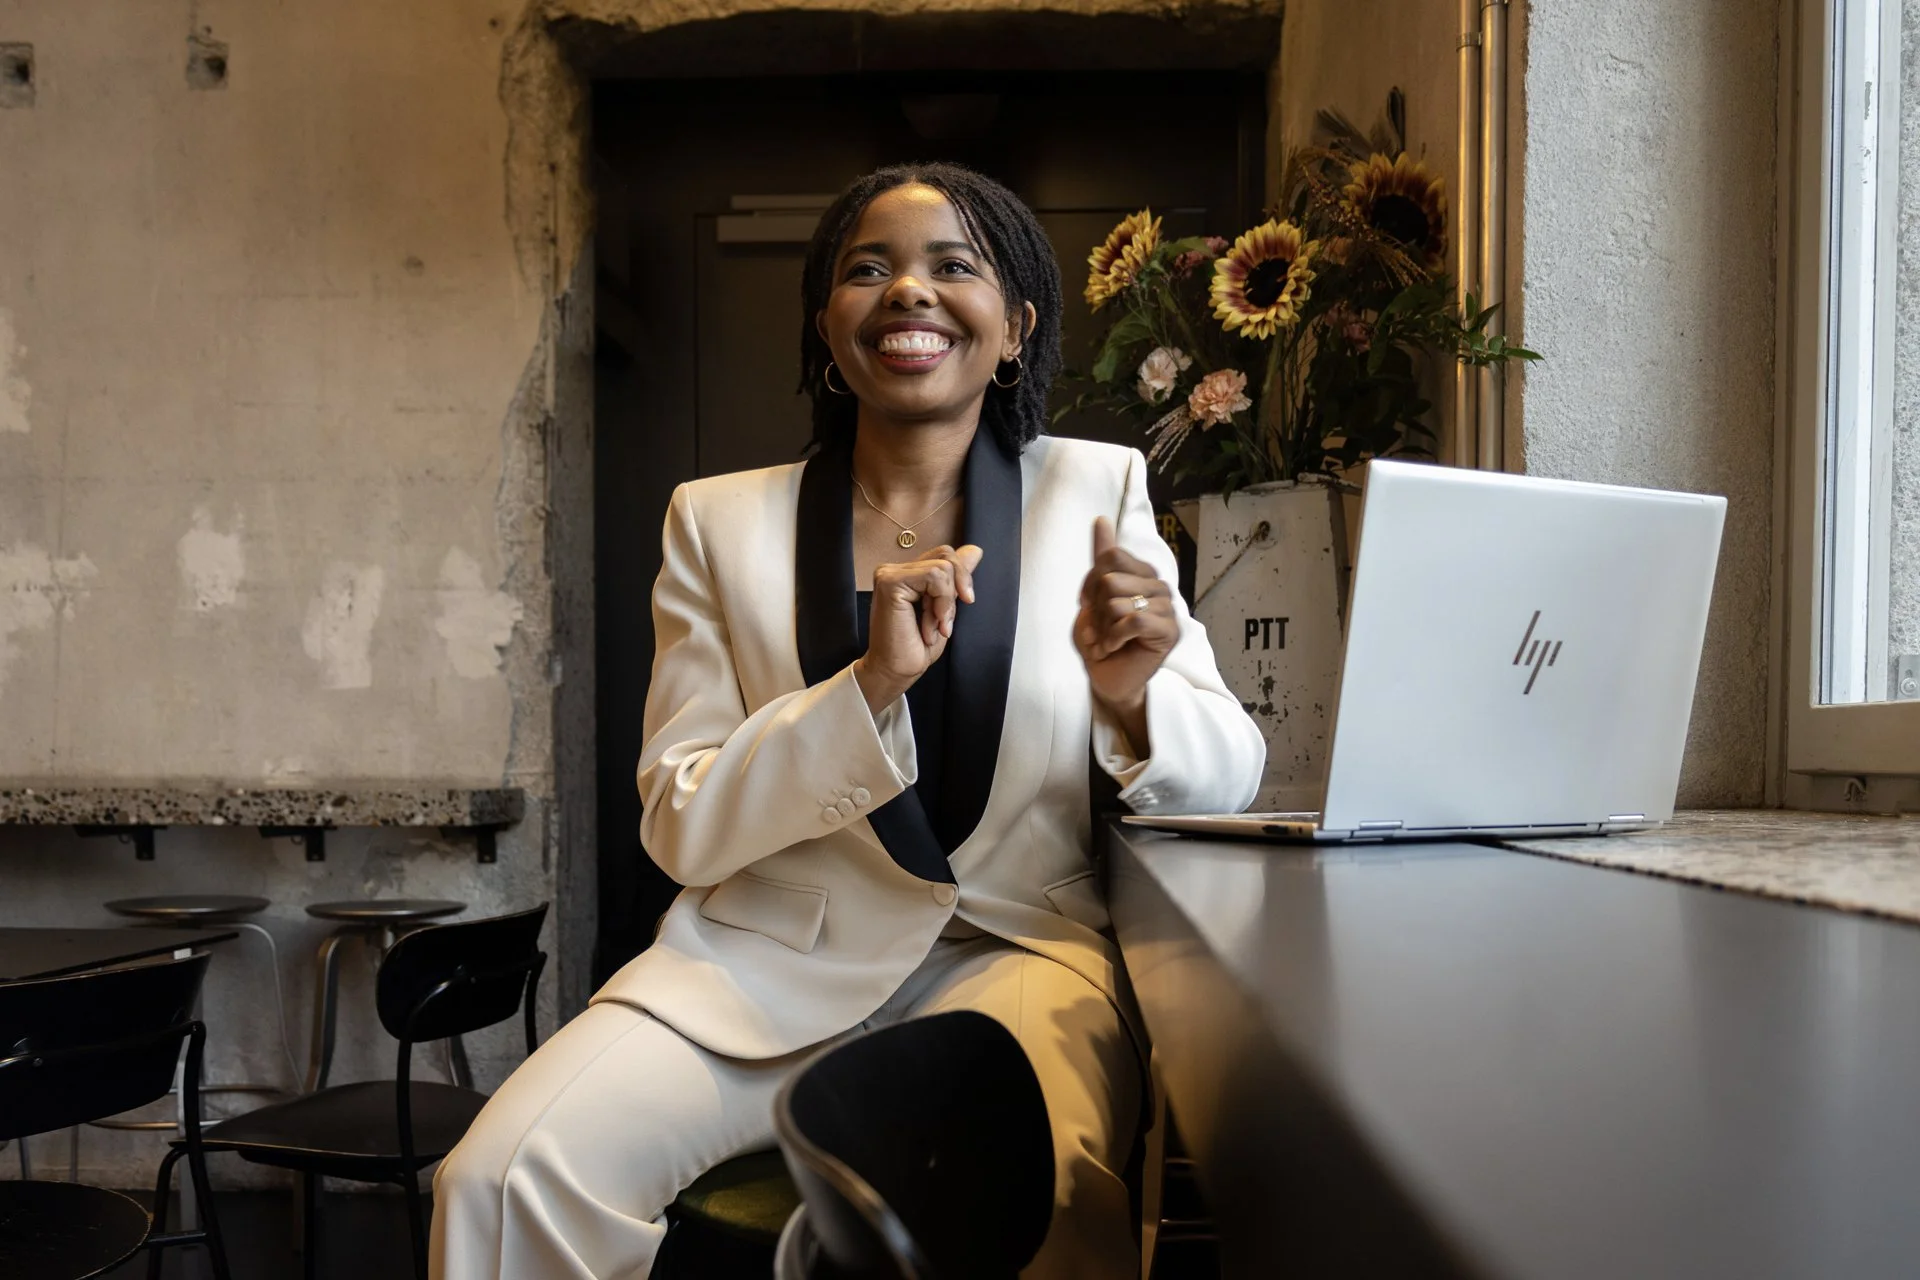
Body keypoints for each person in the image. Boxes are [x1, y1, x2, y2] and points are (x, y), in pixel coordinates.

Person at [430, 162, 1264, 1280]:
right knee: (497, 1176)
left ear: (1016, 325)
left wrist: (1136, 692)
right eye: (868, 269)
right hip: (757, 967)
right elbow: (680, 822)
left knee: (1049, 1207)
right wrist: (864, 687)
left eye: (952, 266)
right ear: (829, 328)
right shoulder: (717, 521)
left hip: (1012, 962)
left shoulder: (1097, 492)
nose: (908, 291)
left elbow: (1227, 777)